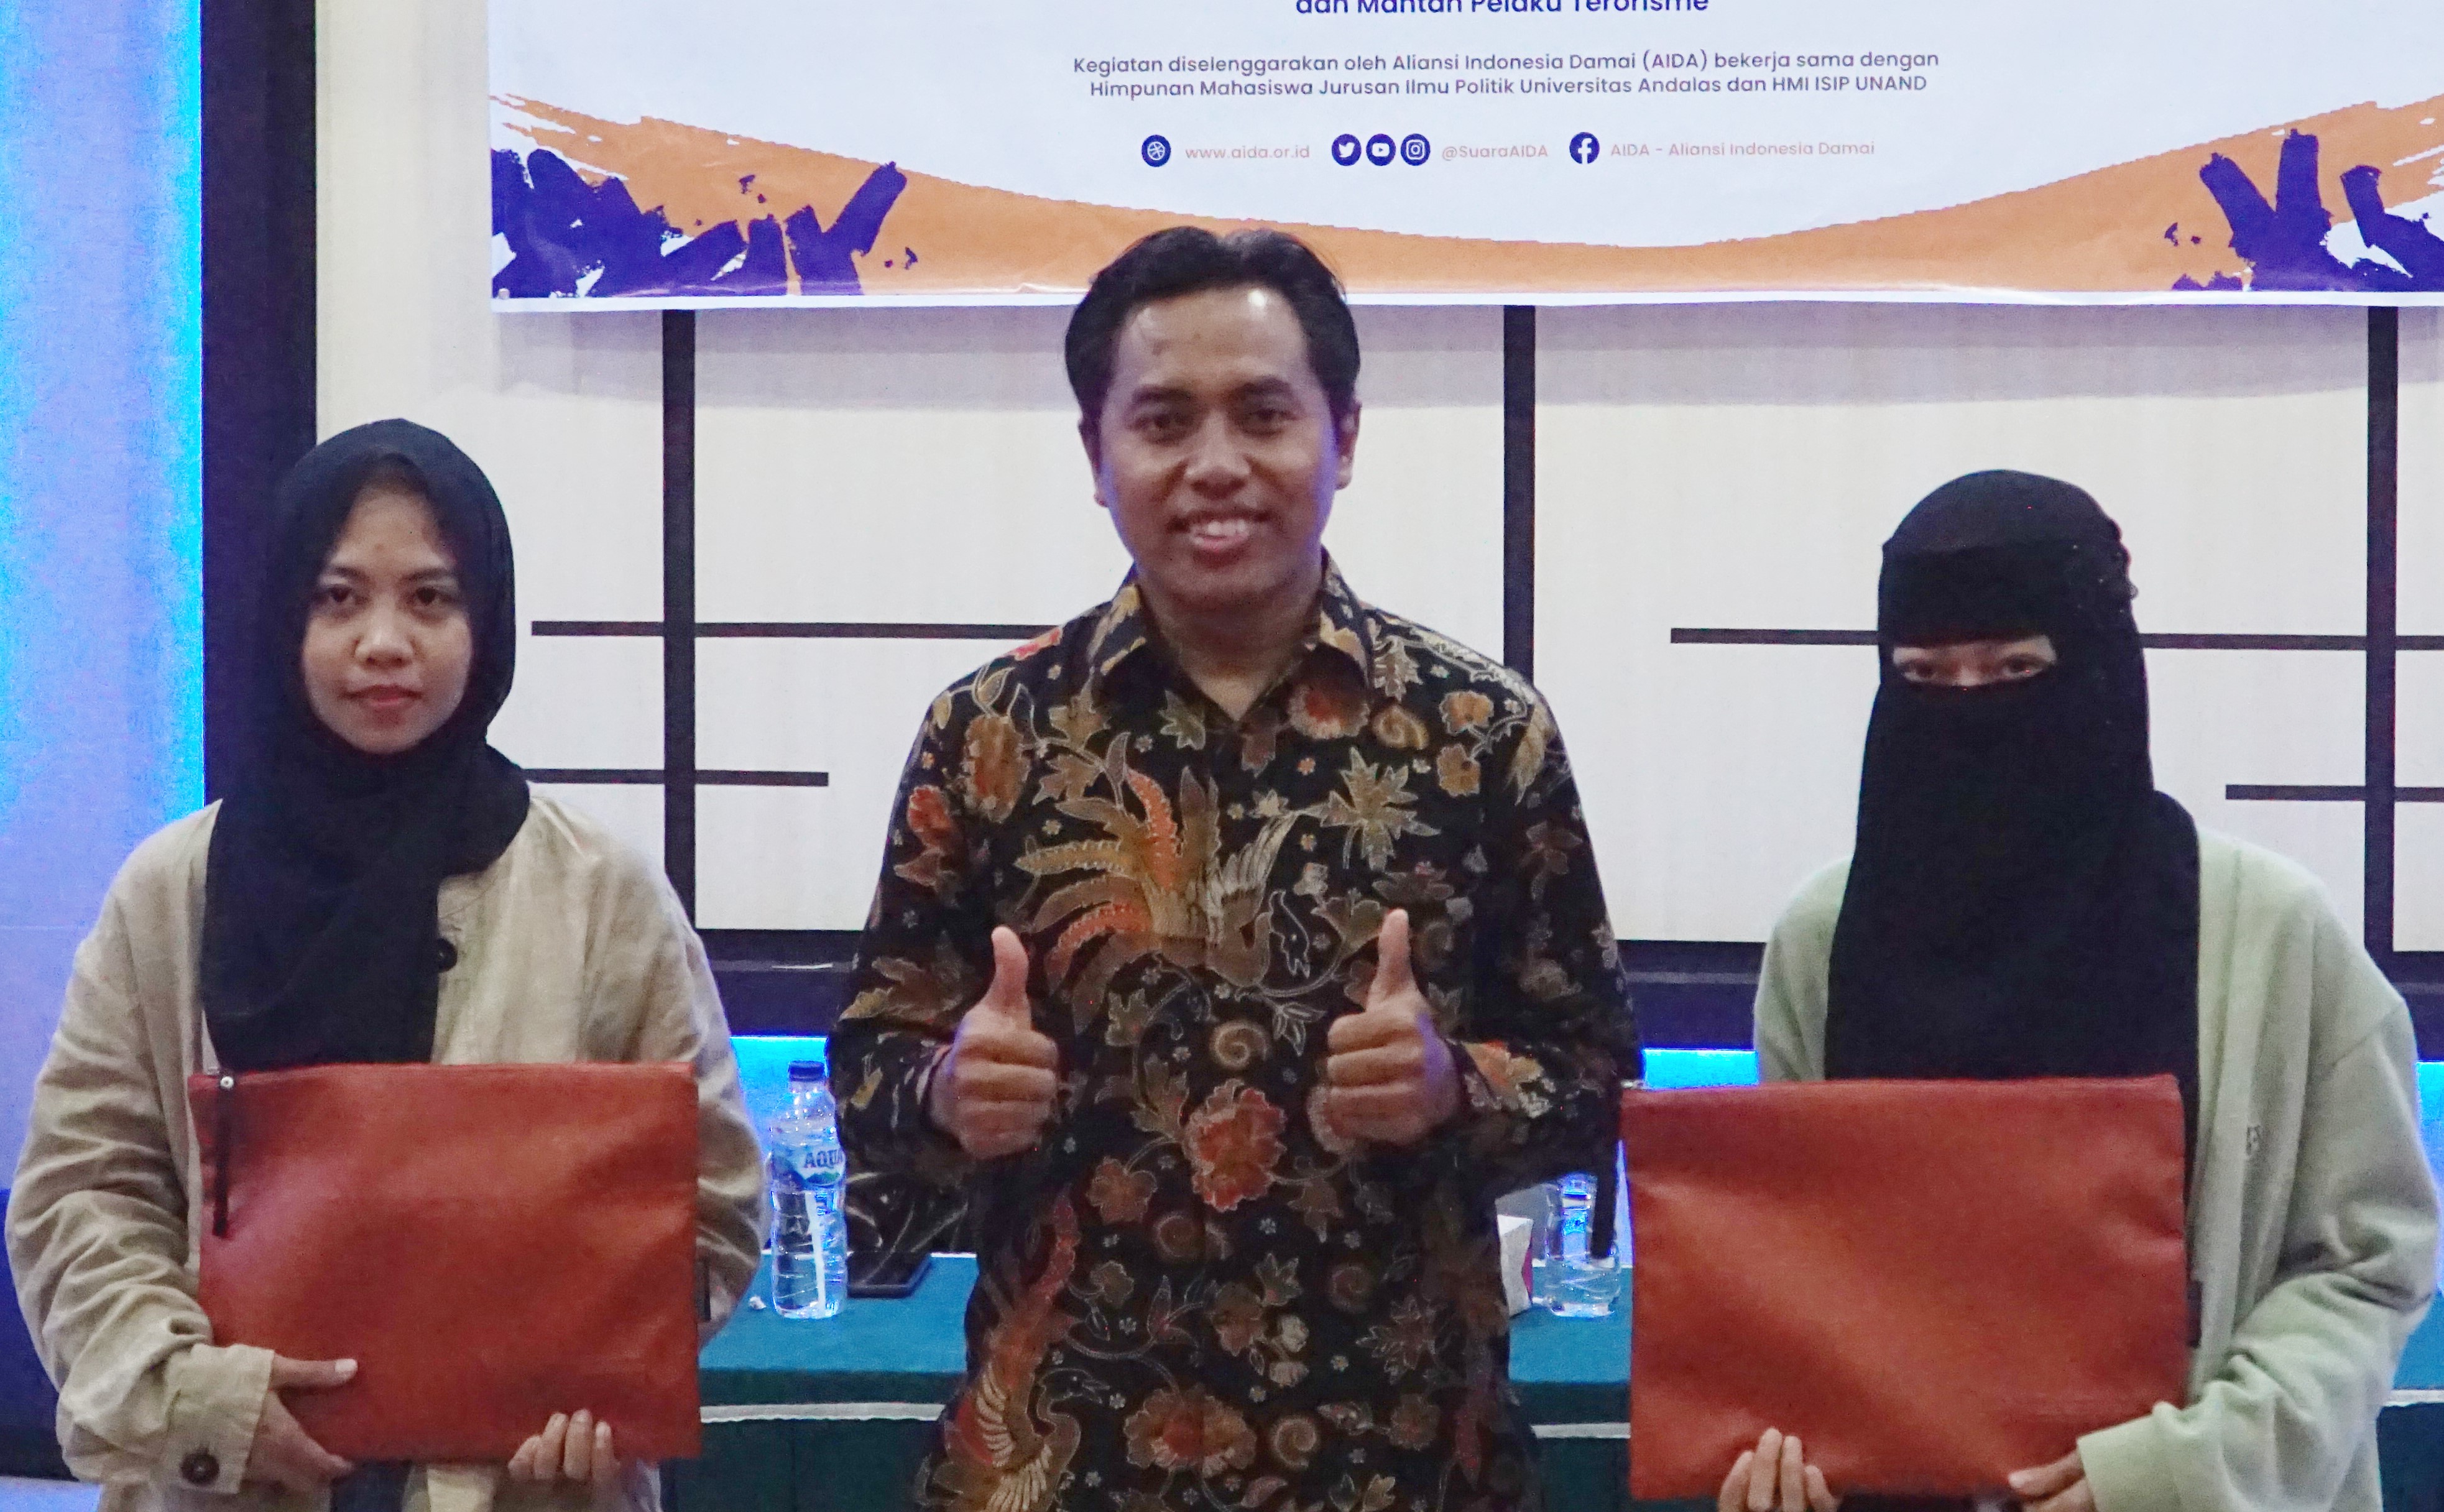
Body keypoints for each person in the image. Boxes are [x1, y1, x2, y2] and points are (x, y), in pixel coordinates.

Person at [831, 226, 1635, 1512]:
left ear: (1344, 436)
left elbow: (1600, 1082)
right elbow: (866, 1072)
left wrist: (1454, 1086)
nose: (1215, 465)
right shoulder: (988, 736)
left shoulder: (1482, 735)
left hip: (1400, 1462)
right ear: (1096, 454)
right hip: (1064, 1463)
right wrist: (945, 1093)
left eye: (1264, 415)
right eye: (1163, 422)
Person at [6, 420, 767, 1511]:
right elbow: (84, 1193)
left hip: (522, 1490)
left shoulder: (602, 892)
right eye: (338, 599)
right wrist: (196, 1399)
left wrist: (595, 1373)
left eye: (430, 599)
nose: (383, 643)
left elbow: (708, 1199)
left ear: (486, 621)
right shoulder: (174, 889)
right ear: (285, 618)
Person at [1723, 471, 2438, 1512]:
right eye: (1925, 676)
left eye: (2017, 668)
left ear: (2102, 668)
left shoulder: (2270, 933)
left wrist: (2183, 1469)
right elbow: (1804, 1262)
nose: (1970, 707)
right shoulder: (1824, 939)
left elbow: (2366, 1264)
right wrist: (1792, 1443)